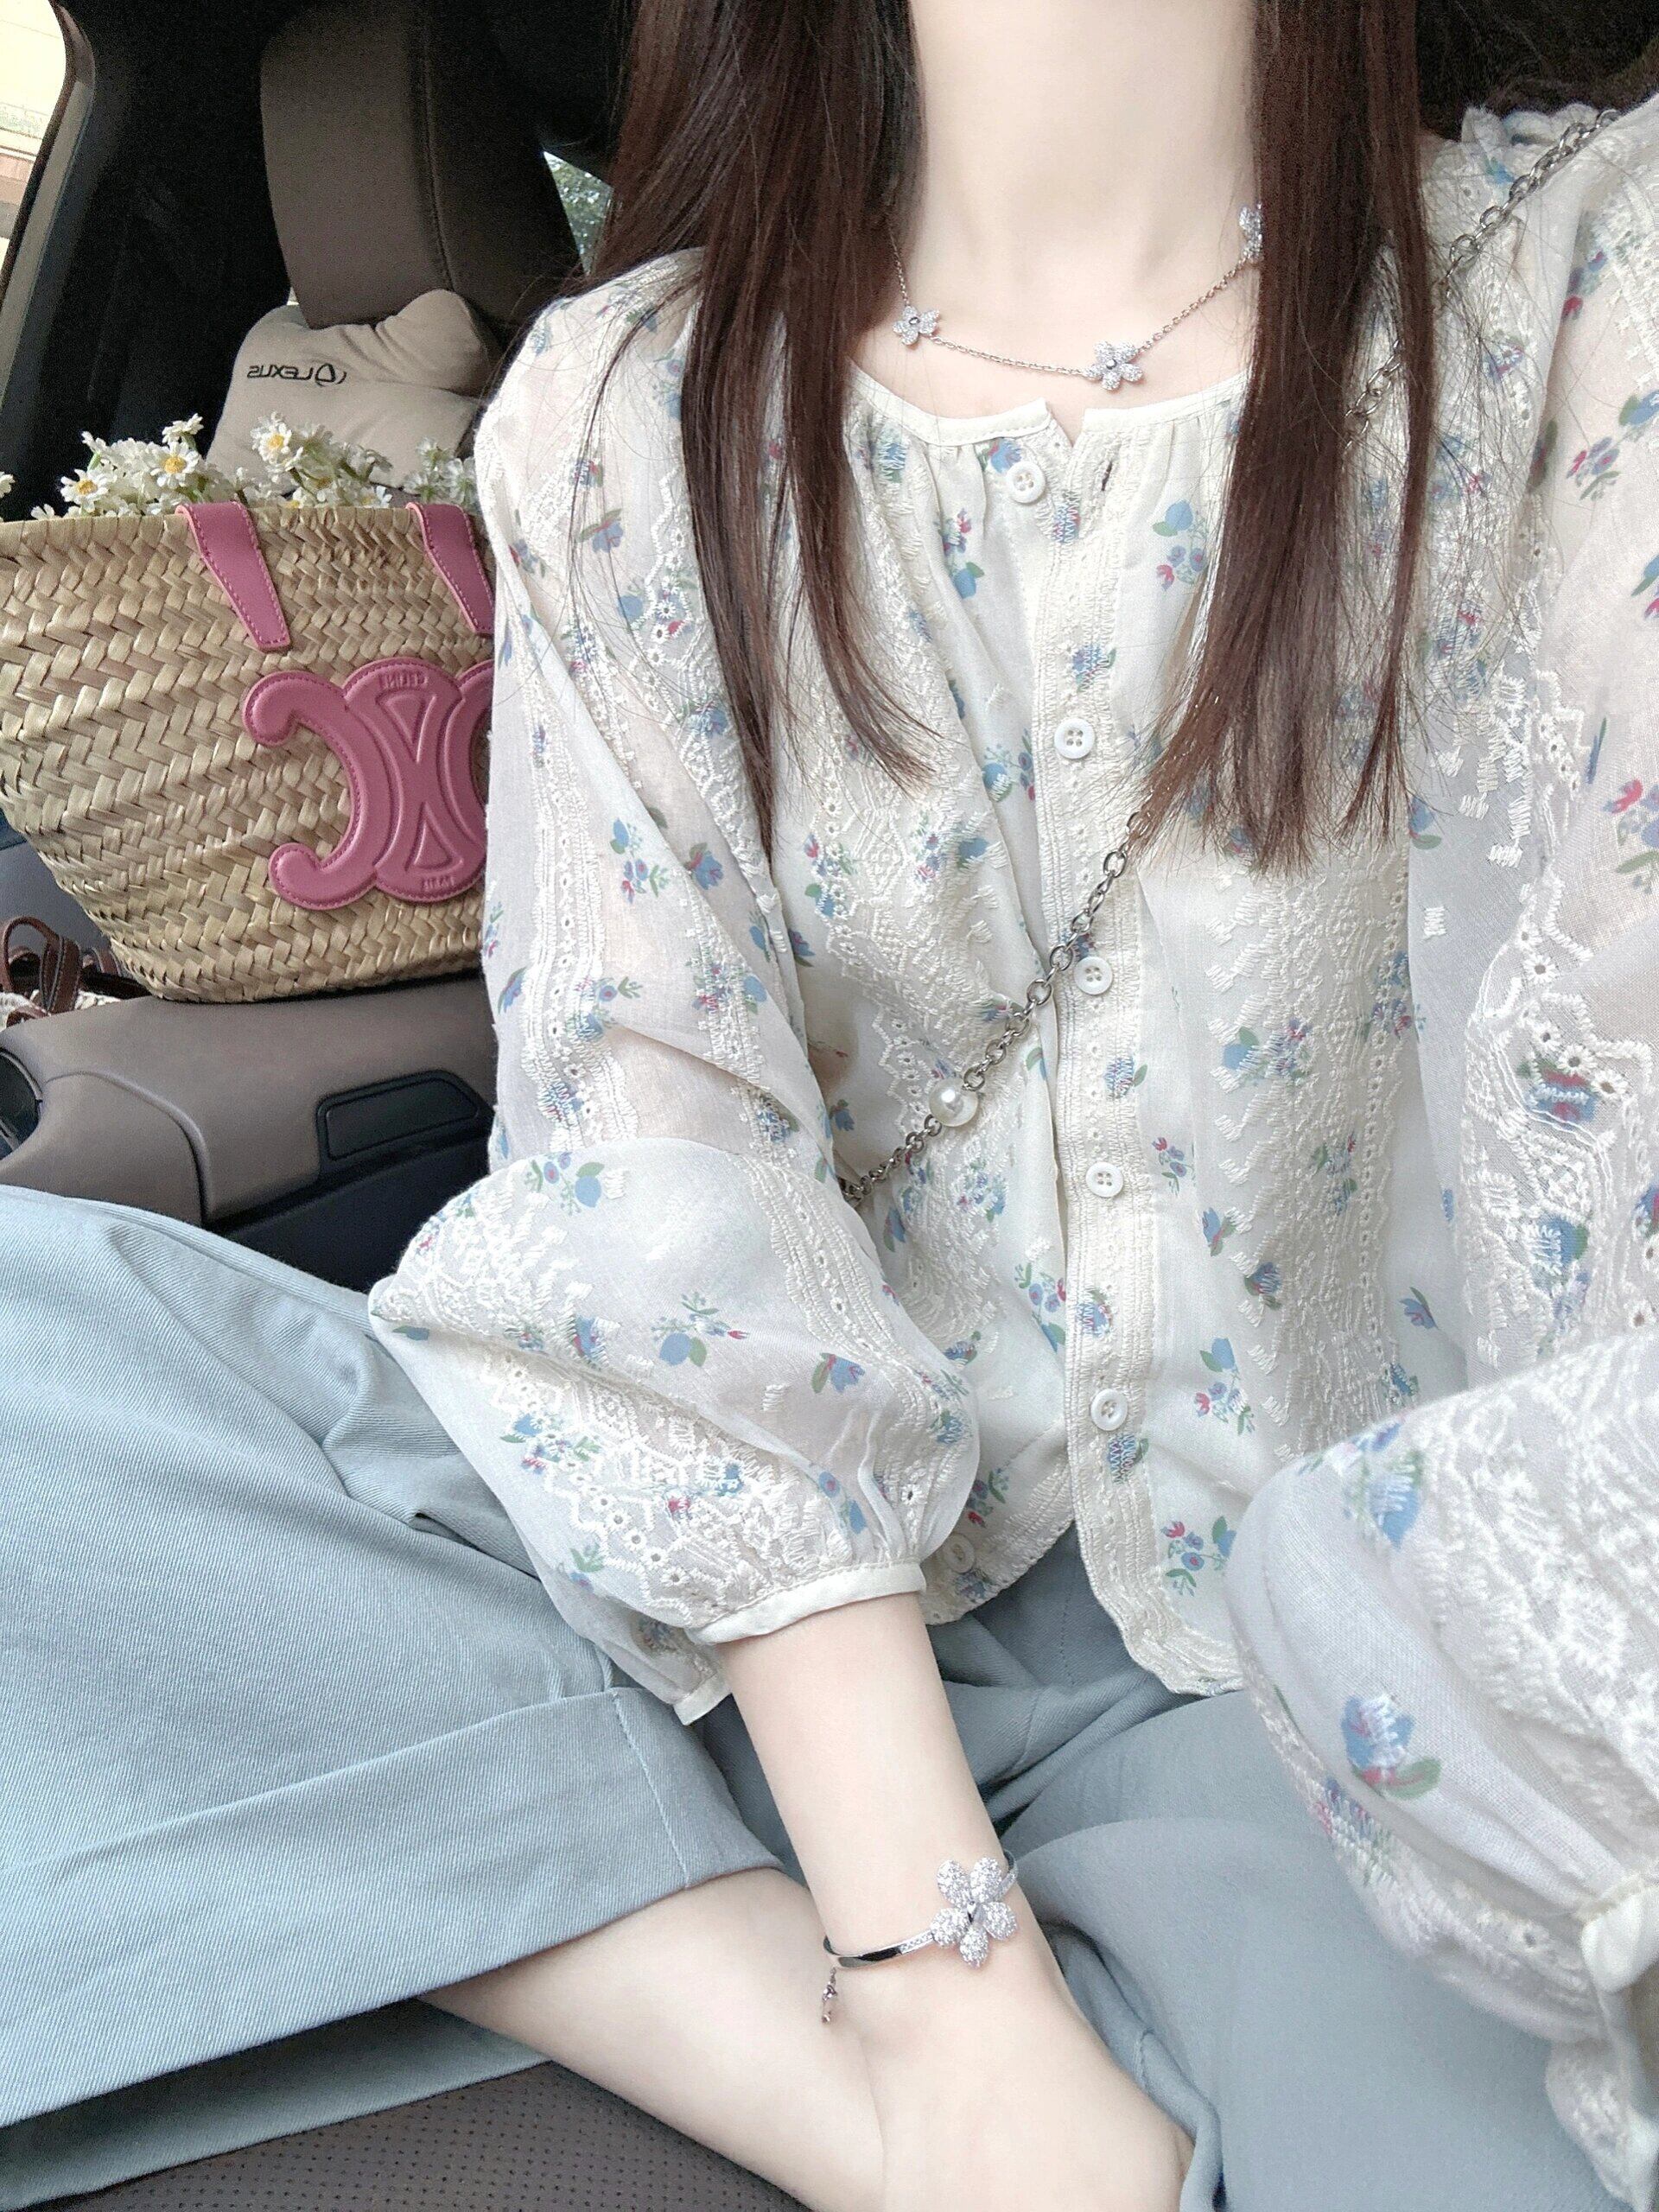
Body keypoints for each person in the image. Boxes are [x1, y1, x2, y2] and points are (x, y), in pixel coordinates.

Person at [4, 6, 1657, 2209]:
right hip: (718, 1605)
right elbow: (652, 1153)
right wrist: (941, 1994)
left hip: (1292, 1664)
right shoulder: (633, 405)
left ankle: (586, 1909)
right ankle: (841, 2073)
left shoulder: (1575, 293)